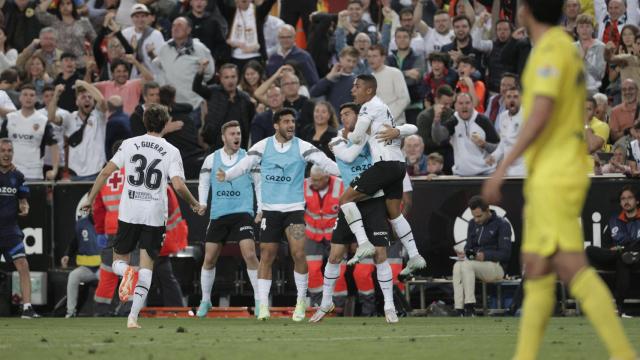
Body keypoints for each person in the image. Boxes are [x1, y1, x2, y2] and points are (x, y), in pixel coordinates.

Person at [481, 1, 637, 359]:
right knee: (535, 268)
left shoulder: (551, 49)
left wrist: (504, 166)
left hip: (557, 170)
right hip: (547, 172)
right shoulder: (557, 48)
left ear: (528, 12)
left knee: (570, 265)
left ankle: (623, 352)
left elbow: (541, 112)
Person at [80, 104, 202, 329]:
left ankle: (125, 272)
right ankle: (132, 317)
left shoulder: (129, 144)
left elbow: (106, 171)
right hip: (154, 214)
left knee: (118, 261)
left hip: (129, 212)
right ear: (166, 124)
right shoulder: (171, 151)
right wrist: (194, 204)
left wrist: (89, 198)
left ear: (145, 123)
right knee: (146, 268)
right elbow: (177, 184)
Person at [216, 108, 340, 322]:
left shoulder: (302, 146)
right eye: (286, 121)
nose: (291, 125)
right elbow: (245, 165)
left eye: (293, 121)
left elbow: (325, 163)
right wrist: (227, 175)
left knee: (299, 254)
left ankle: (301, 303)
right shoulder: (263, 146)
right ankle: (263, 305)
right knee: (266, 256)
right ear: (276, 125)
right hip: (271, 211)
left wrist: (349, 172)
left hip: (294, 210)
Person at [309, 101, 417, 323]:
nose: (344, 118)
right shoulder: (336, 140)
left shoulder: (373, 137)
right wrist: (365, 137)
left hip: (373, 201)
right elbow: (348, 158)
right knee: (335, 254)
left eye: (348, 114)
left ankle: (389, 307)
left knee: (380, 255)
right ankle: (326, 301)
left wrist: (395, 131)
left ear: (360, 118)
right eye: (341, 115)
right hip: (351, 204)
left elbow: (407, 132)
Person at [339, 74, 427, 276]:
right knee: (394, 212)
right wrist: (398, 130)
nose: (353, 90)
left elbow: (357, 136)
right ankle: (414, 255)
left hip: (384, 165)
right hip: (398, 166)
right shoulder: (383, 108)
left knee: (345, 199)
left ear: (369, 90)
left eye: (357, 86)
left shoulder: (369, 107)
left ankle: (363, 243)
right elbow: (411, 127)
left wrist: (347, 135)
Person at [195, 121, 260, 317]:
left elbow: (259, 184)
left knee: (249, 255)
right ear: (224, 137)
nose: (236, 137)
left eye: (238, 133)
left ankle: (260, 301)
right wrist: (203, 203)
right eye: (232, 134)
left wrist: (261, 208)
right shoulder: (212, 159)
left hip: (243, 213)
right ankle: (205, 301)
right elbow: (204, 182)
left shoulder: (249, 158)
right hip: (219, 214)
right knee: (209, 258)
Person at [0, 138, 40, 318]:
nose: (6, 154)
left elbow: (24, 202)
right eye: (2, 150)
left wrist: (25, 207)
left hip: (10, 230)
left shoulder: (18, 177)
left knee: (23, 264)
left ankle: (27, 308)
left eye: (9, 150)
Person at [586, 185, 640, 318]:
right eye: (623, 199)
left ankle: (619, 308)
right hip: (619, 258)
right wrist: (615, 250)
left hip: (638, 258)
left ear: (637, 201)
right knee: (590, 250)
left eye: (629, 198)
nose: (626, 201)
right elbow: (605, 246)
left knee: (627, 255)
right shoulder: (614, 221)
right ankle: (624, 254)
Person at [453, 195, 511, 317]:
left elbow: (505, 254)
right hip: (476, 264)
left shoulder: (502, 224)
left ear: (487, 210)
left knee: (466, 265)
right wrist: (465, 253)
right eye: (474, 216)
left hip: (497, 267)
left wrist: (484, 256)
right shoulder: (472, 223)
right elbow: (468, 246)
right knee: (457, 265)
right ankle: (459, 309)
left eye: (479, 216)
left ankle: (470, 306)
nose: (476, 220)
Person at [153, 17, 215, 124]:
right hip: (169, 106)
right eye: (173, 25)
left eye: (180, 25)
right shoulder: (164, 48)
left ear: (189, 30)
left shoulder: (199, 48)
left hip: (192, 104)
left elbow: (209, 73)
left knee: (191, 138)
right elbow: (158, 69)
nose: (175, 28)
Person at [302, 165, 346, 307]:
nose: (313, 183)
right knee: (312, 271)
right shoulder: (304, 185)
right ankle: (318, 304)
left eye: (318, 180)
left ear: (327, 178)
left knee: (338, 272)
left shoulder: (341, 185)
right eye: (312, 179)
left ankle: (338, 306)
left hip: (336, 235)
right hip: (312, 235)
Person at [0, 84, 59, 181]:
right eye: (25, 94)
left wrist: (55, 170)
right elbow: (1, 143)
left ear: (36, 98)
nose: (28, 98)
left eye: (32, 95)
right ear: (20, 98)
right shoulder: (10, 119)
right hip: (11, 172)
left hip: (34, 173)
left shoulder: (43, 120)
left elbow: (54, 145)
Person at [432, 92, 499, 176]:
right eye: (461, 103)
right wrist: (436, 120)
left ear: (472, 104)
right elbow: (438, 138)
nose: (464, 106)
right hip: (461, 175)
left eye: (467, 103)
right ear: (455, 106)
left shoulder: (483, 121)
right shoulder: (453, 121)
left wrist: (484, 145)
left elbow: (498, 148)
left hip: (485, 174)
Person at [195, 62, 255, 151]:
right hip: (215, 142)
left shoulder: (245, 98)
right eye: (226, 77)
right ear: (221, 79)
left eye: (233, 77)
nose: (230, 80)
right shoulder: (213, 91)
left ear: (238, 78)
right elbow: (196, 87)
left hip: (239, 144)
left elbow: (249, 120)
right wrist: (200, 71)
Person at [61, 212, 104, 318]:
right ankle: (71, 312)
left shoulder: (107, 220)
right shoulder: (81, 224)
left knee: (120, 279)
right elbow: (74, 242)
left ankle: (119, 311)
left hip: (106, 267)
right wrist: (67, 255)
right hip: (89, 268)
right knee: (73, 276)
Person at [386, 27, 426, 125]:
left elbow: (415, 79)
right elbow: (387, 79)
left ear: (410, 39)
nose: (402, 39)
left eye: (405, 37)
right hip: (393, 107)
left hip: (414, 106)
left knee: (412, 138)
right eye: (399, 37)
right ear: (395, 40)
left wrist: (395, 77)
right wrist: (406, 73)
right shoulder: (389, 59)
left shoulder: (418, 58)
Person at [486, 86, 525, 177]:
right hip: (507, 172)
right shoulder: (502, 117)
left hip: (523, 171)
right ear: (504, 100)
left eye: (515, 97)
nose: (512, 100)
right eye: (509, 97)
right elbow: (503, 143)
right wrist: (494, 157)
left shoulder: (527, 116)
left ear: (521, 99)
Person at [367, 45, 410, 125]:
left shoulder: (395, 73)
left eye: (374, 56)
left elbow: (404, 99)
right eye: (369, 56)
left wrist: (387, 118)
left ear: (383, 58)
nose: (371, 59)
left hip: (395, 125)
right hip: (376, 127)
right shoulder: (369, 78)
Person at [121, 4, 165, 78]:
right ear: (132, 18)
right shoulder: (125, 33)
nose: (140, 20)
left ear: (147, 18)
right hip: (131, 78)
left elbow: (162, 62)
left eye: (143, 16)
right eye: (136, 16)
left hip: (152, 77)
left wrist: (152, 54)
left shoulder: (156, 35)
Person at [310, 46, 359, 114]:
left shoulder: (358, 81)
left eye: (354, 61)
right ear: (340, 59)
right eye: (348, 60)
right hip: (332, 119)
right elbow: (313, 93)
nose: (351, 64)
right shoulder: (331, 78)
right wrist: (329, 78)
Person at [471, 17, 514, 94]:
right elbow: (476, 44)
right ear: (496, 32)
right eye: (499, 29)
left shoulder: (517, 46)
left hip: (511, 92)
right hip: (493, 90)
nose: (502, 32)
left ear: (511, 31)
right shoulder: (491, 45)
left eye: (505, 29)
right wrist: (480, 26)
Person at [575, 14, 606, 97]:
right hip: (574, 90)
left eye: (587, 26)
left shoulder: (600, 46)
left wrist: (584, 59)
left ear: (593, 29)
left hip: (593, 91)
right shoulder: (572, 47)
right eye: (581, 26)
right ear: (577, 29)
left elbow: (600, 74)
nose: (584, 30)